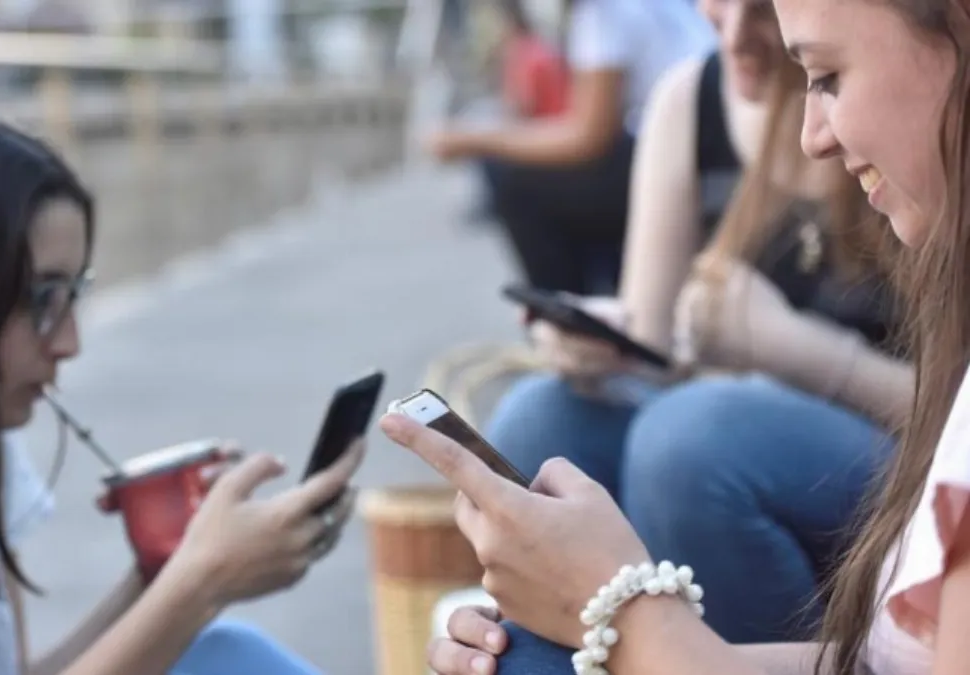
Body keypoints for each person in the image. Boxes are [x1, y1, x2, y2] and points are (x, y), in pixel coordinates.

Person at [386, 0, 970, 673]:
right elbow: (658, 340)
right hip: (738, 424)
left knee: (692, 440)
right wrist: (611, 346)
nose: (730, 38)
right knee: (544, 417)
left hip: (852, 448)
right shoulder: (694, 101)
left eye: (826, 74)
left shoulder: (916, 188)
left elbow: (933, 416)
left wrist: (633, 616)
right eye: (708, 14)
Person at [0, 101, 364, 675]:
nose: (69, 341)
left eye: (74, 294)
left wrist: (162, 571)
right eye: (42, 299)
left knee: (225, 654)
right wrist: (202, 582)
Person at [425, 0, 715, 294]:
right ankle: (608, 289)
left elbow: (589, 138)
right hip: (702, 145)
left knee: (514, 180)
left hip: (689, 160)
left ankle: (569, 320)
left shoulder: (601, 13)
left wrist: (473, 139)